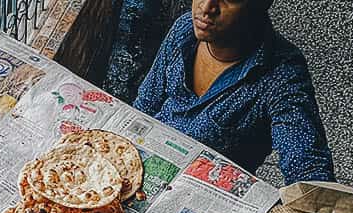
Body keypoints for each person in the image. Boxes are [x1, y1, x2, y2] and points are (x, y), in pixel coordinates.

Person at [133, 0, 334, 183]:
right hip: (143, 163)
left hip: (201, 188)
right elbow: (145, 104)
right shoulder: (184, 29)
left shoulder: (281, 74)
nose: (206, 8)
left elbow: (307, 169)